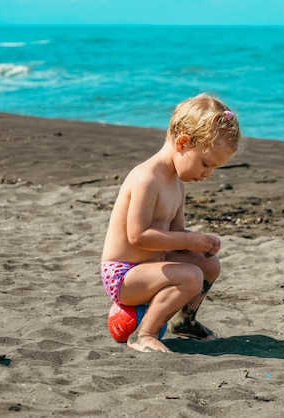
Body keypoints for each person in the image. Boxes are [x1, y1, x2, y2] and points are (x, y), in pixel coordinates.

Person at [100, 93, 242, 353]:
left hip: (152, 265)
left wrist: (199, 244)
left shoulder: (177, 184)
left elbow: (175, 233)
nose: (208, 174)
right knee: (190, 276)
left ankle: (184, 321)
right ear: (183, 143)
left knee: (207, 265)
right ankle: (144, 334)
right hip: (123, 274)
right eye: (205, 164)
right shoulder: (146, 178)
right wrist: (188, 240)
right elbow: (138, 236)